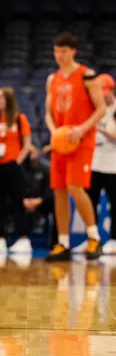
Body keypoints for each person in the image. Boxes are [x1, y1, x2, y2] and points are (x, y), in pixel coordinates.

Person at [44, 32, 106, 261]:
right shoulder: (52, 79)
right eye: (56, 51)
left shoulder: (87, 76)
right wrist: (54, 132)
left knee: (75, 187)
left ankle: (93, 238)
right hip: (61, 141)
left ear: (73, 51)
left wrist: (81, 129)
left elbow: (100, 109)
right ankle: (63, 243)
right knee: (59, 191)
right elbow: (48, 112)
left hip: (81, 141)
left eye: (64, 51)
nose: (59, 55)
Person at [0, 87, 32, 254]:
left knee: (17, 202)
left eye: (1, 98)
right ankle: (0, 238)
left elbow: (27, 144)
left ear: (8, 100)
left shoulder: (19, 119)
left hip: (12, 165)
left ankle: (23, 238)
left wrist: (17, 162)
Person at [73, 73, 116, 255]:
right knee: (90, 203)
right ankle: (91, 239)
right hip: (93, 165)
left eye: (104, 92)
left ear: (111, 91)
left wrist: (99, 128)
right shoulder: (92, 109)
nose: (102, 95)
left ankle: (114, 241)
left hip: (113, 166)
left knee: (115, 205)